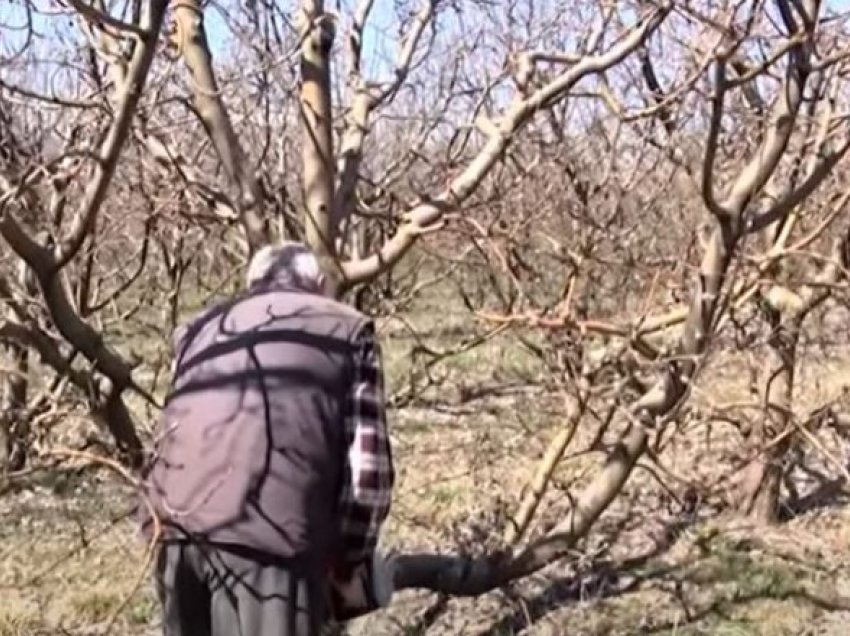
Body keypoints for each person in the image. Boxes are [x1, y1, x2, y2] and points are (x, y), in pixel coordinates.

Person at [138, 242, 396, 636]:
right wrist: (349, 560)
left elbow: (172, 433)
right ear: (321, 283)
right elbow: (368, 477)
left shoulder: (197, 330)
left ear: (251, 284)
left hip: (173, 531)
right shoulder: (348, 329)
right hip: (275, 543)